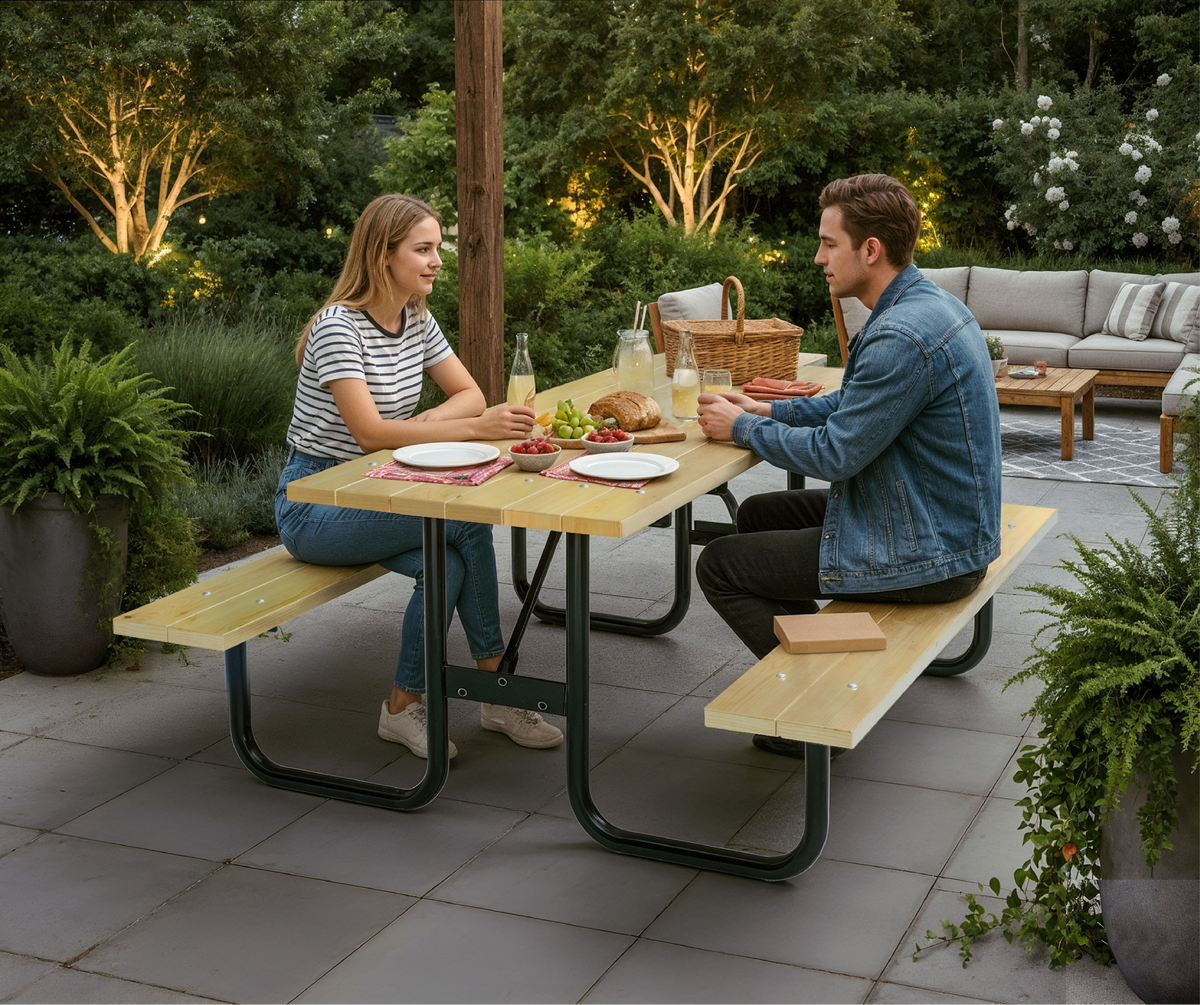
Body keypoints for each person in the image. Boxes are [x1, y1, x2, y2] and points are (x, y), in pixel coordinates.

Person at [695, 173, 1002, 758]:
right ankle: (829, 658)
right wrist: (768, 407)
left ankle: (819, 710)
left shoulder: (900, 335)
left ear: (870, 249)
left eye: (828, 243)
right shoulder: (924, 304)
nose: (818, 259)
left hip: (934, 549)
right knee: (759, 513)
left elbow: (839, 453)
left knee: (721, 565)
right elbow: (853, 407)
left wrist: (742, 429)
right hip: (939, 517)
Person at [275, 193, 563, 758]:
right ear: (384, 255)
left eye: (438, 249)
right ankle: (496, 690)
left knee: (446, 558)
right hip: (315, 504)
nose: (436, 261)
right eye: (423, 249)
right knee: (463, 524)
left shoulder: (415, 317)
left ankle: (405, 708)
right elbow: (370, 435)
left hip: (378, 489)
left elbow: (470, 392)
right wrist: (472, 430)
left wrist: (424, 422)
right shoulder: (340, 328)